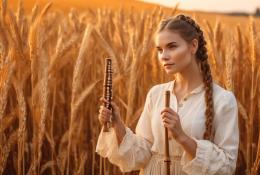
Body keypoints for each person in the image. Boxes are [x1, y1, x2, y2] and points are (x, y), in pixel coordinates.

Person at [96, 14, 239, 175]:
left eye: (172, 47)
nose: (163, 56)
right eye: (160, 50)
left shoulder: (223, 100)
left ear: (193, 46)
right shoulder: (156, 94)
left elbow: (227, 167)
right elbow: (141, 155)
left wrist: (182, 137)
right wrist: (117, 124)